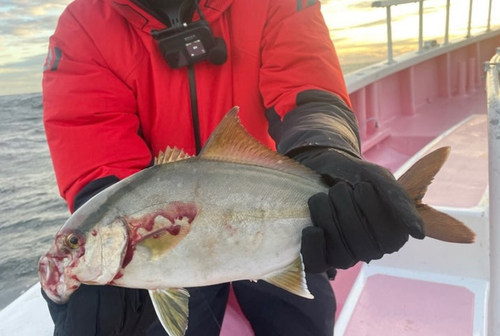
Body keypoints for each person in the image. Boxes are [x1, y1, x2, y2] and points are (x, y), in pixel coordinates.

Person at [41, 0, 425, 335]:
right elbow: (95, 141)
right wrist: (99, 213)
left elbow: (306, 80)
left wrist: (323, 146)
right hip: (173, 244)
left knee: (307, 322)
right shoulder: (85, 26)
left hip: (264, 205)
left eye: (74, 244)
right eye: (73, 245)